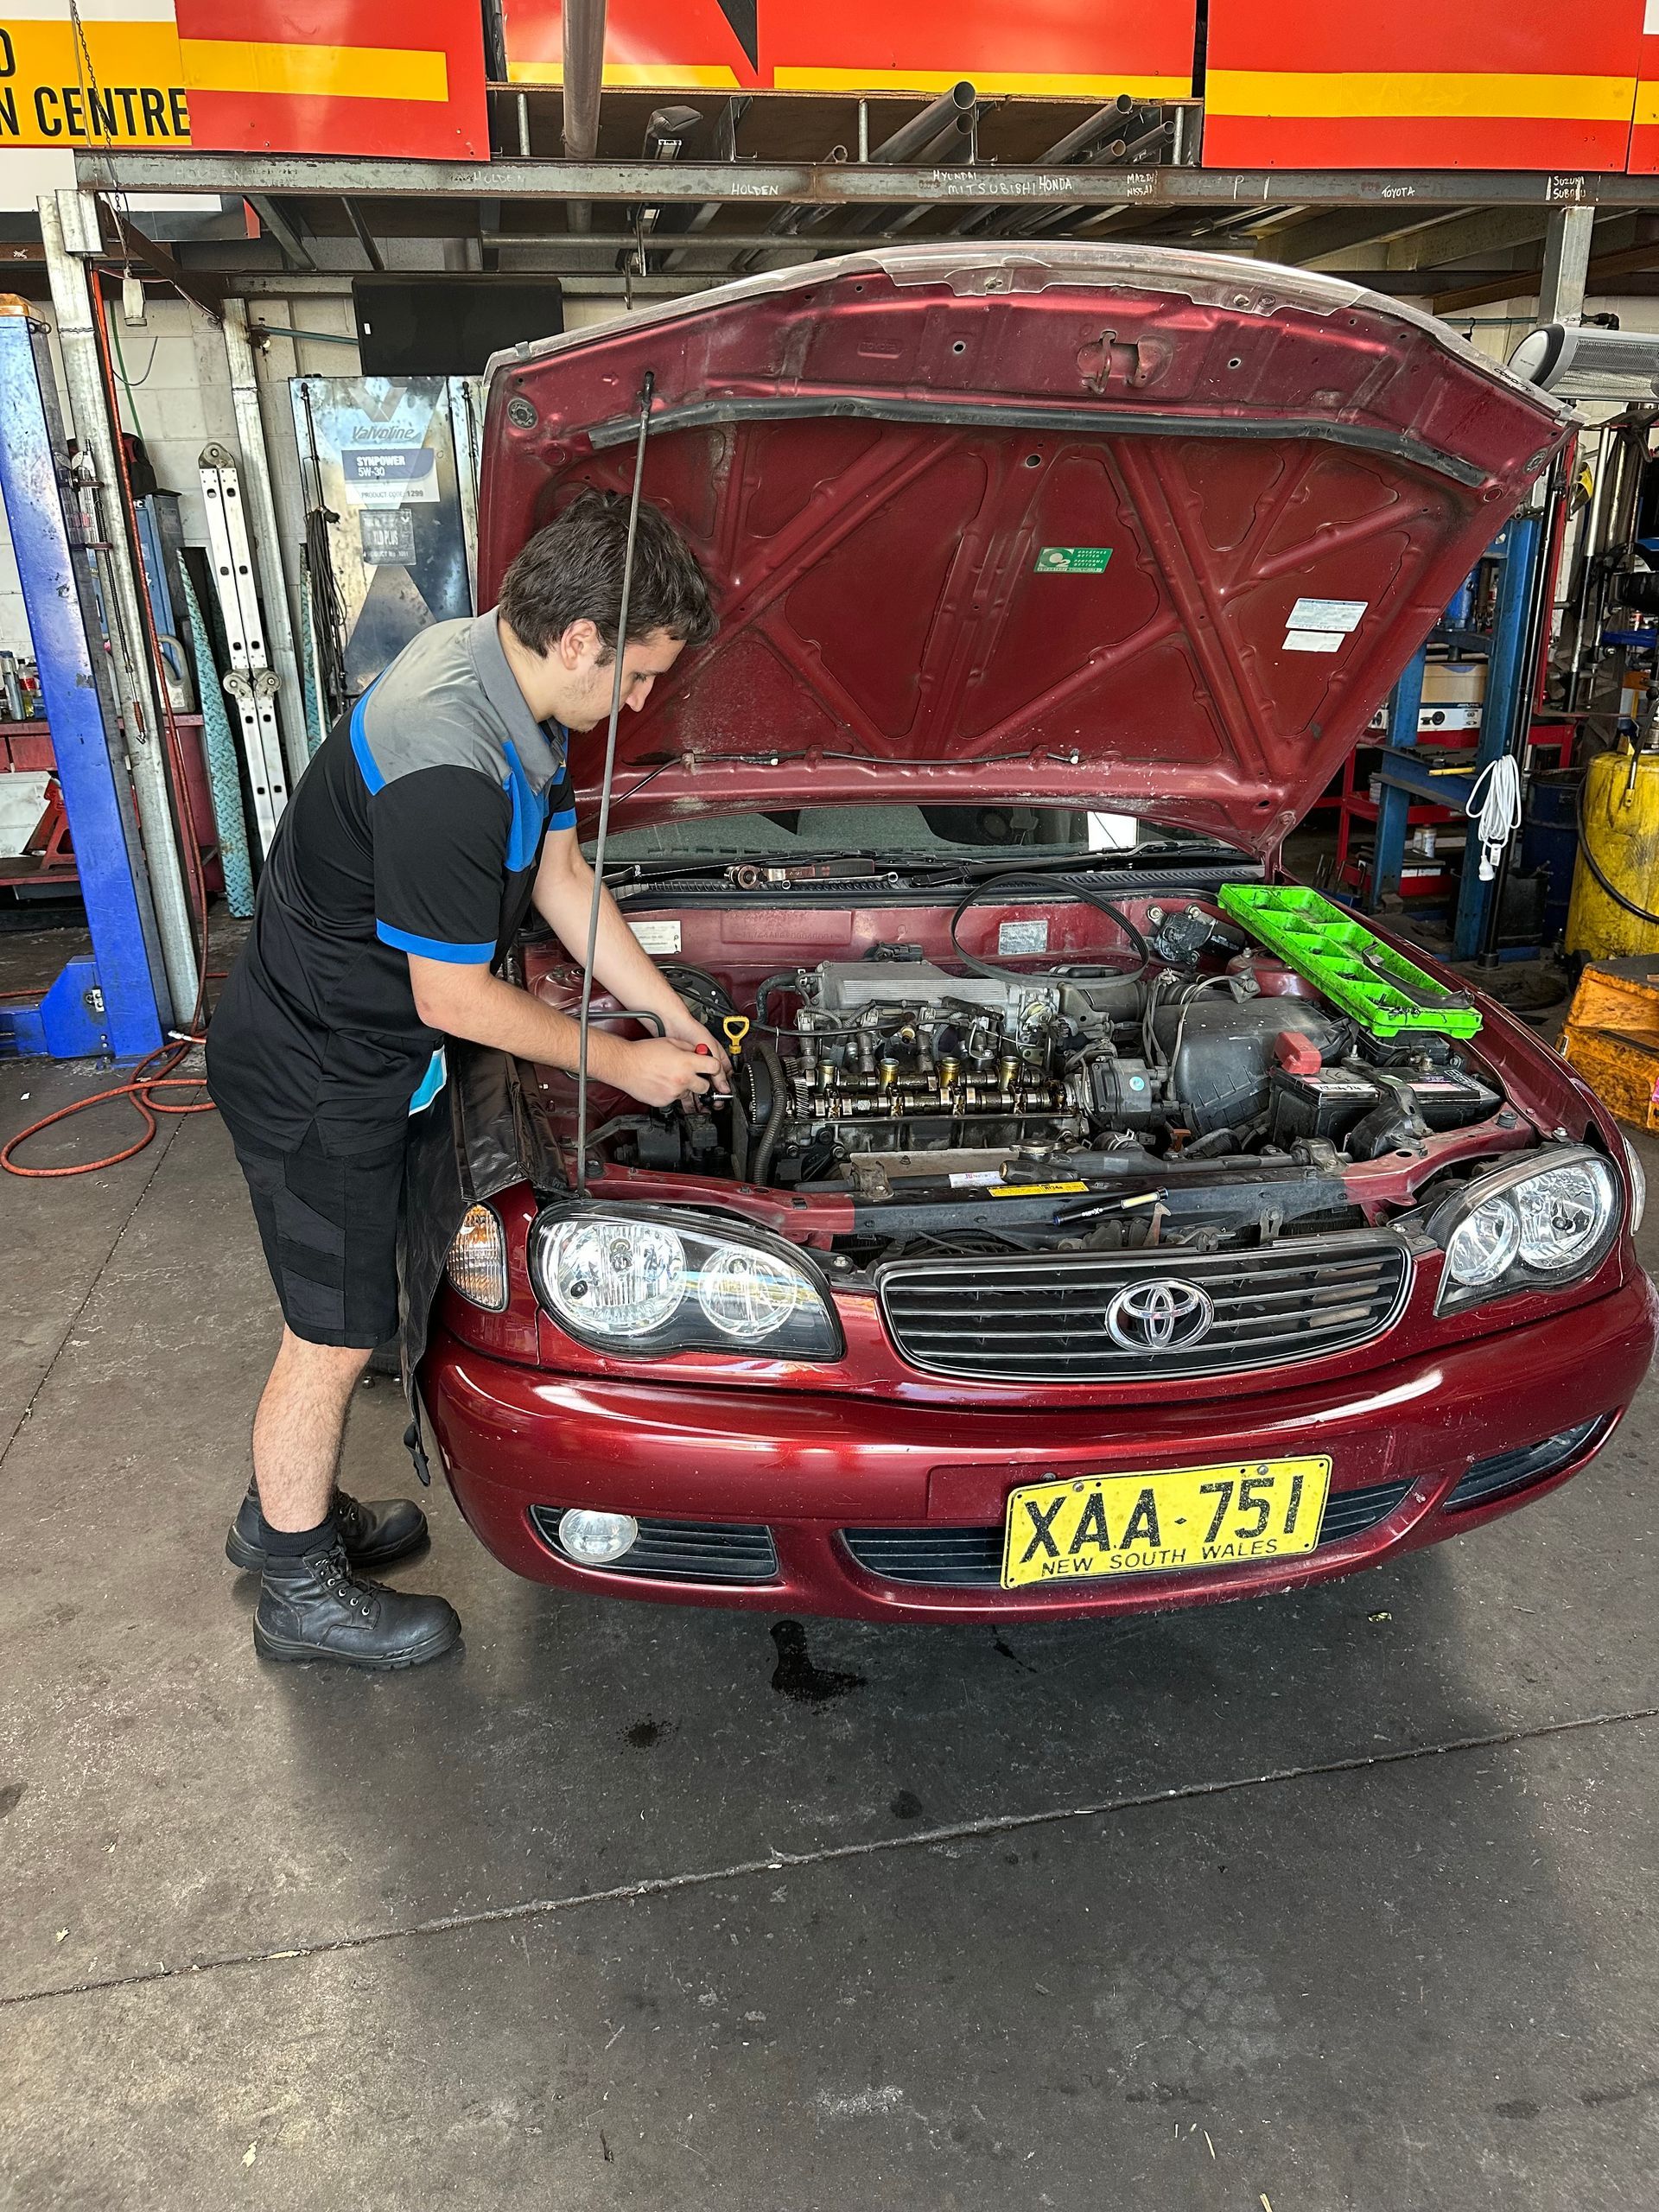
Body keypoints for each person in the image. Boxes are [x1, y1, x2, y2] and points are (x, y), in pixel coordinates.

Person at [207, 489, 725, 1671]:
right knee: (330, 1336)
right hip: (316, 1069)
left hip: (369, 1055)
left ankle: (277, 1514)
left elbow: (560, 878)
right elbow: (452, 997)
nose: (641, 703)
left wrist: (664, 1007)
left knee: (362, 1299)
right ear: (583, 639)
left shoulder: (512, 691)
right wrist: (620, 1064)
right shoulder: (451, 755)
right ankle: (297, 1589)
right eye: (639, 675)